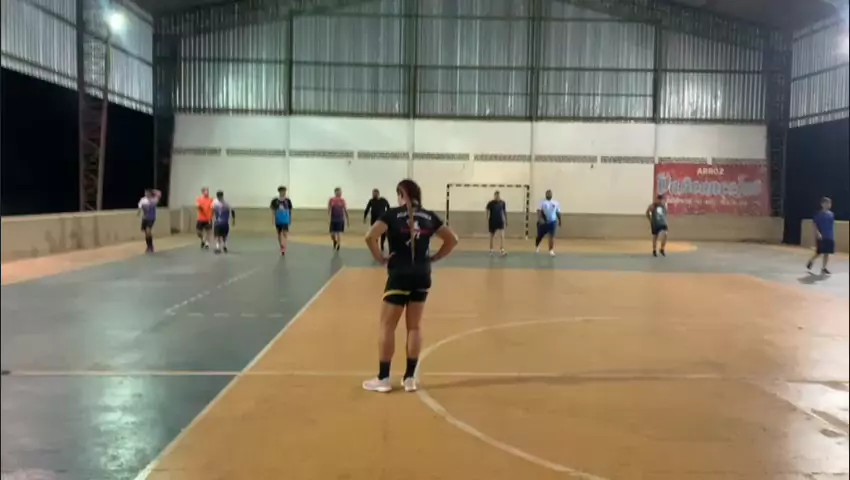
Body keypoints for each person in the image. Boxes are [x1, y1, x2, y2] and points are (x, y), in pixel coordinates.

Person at [362, 179, 459, 393]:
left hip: (400, 274)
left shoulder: (392, 215)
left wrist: (380, 257)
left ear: (401, 194)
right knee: (414, 326)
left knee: (387, 326)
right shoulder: (429, 216)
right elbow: (452, 239)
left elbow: (370, 236)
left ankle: (384, 378)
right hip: (422, 275)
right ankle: (409, 378)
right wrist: (434, 258)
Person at [806, 196, 835, 275]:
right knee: (819, 252)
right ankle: (811, 261)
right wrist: (817, 233)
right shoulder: (819, 214)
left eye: (829, 203)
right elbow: (814, 224)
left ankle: (824, 268)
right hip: (822, 236)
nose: (828, 205)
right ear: (822, 204)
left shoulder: (831, 214)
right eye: (826, 203)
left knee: (827, 253)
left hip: (830, 236)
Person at [535, 190, 561, 256]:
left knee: (551, 236)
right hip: (543, 223)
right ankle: (537, 247)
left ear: (552, 195)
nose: (549, 195)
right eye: (548, 194)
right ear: (546, 194)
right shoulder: (542, 202)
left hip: (552, 222)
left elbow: (558, 212)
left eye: (550, 194)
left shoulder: (555, 203)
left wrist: (560, 221)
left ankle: (551, 250)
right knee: (539, 236)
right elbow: (539, 211)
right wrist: (540, 219)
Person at [270, 186, 293, 256]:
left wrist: (290, 219)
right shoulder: (275, 201)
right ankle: (281, 245)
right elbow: (273, 211)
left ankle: (284, 246)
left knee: (285, 233)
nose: (283, 193)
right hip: (278, 220)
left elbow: (290, 210)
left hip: (285, 220)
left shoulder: (288, 201)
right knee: (279, 233)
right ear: (279, 192)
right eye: (282, 191)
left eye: (284, 191)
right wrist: (273, 219)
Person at [212, 190, 236, 254]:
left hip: (224, 222)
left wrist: (233, 220)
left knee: (224, 235)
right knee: (217, 235)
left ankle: (224, 245)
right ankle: (218, 247)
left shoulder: (226, 203)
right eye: (218, 196)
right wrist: (210, 218)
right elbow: (212, 210)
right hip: (218, 222)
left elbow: (232, 210)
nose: (219, 198)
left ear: (222, 196)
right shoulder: (214, 202)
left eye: (220, 196)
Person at [137, 189, 161, 253]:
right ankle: (148, 246)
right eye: (145, 193)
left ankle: (151, 247)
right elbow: (139, 207)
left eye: (147, 193)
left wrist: (153, 191)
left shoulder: (154, 200)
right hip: (145, 218)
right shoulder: (143, 200)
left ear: (150, 193)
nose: (146, 194)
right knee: (146, 233)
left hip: (151, 218)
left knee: (148, 231)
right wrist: (138, 213)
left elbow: (159, 193)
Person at [486, 190, 507, 256]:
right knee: (491, 236)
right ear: (494, 196)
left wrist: (505, 220)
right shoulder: (490, 203)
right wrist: (487, 218)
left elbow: (504, 211)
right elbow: (487, 210)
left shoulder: (502, 203)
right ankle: (491, 250)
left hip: (500, 221)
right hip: (492, 221)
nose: (497, 197)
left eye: (498, 195)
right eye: (496, 196)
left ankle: (502, 250)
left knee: (502, 236)